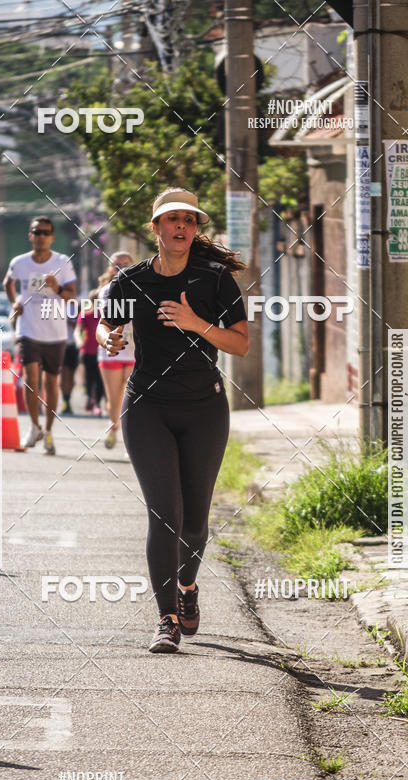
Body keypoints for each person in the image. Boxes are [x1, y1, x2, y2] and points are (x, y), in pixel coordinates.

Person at [96, 188, 249, 653]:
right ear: (156, 228)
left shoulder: (215, 280)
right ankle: (166, 620)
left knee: (195, 523)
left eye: (189, 219)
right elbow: (106, 322)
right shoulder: (131, 280)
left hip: (204, 407)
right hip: (147, 407)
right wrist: (109, 338)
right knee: (164, 514)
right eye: (172, 219)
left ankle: (187, 588)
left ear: (195, 228)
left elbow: (239, 344)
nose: (182, 226)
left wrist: (193, 321)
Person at [3, 216, 77, 455]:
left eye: (46, 232)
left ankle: (48, 430)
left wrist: (56, 288)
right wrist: (15, 302)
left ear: (52, 237)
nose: (41, 236)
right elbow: (8, 283)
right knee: (30, 377)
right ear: (30, 236)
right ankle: (33, 426)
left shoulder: (62, 262)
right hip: (28, 330)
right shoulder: (20, 262)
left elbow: (72, 297)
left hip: (55, 332)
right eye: (37, 232)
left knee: (50, 383)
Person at [97, 251, 135, 449]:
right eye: (117, 265)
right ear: (111, 269)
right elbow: (107, 321)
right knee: (114, 401)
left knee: (133, 401)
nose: (121, 268)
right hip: (111, 353)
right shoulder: (106, 291)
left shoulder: (141, 288)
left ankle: (132, 443)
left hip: (135, 353)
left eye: (126, 264)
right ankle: (113, 426)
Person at [78, 289, 106, 415]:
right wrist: (79, 340)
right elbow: (77, 330)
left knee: (99, 378)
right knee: (90, 377)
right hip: (88, 351)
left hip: (102, 352)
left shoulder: (106, 315)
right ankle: (90, 397)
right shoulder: (86, 315)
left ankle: (97, 403)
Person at [60, 313, 79, 415]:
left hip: (73, 345)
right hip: (61, 344)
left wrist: (72, 322)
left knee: (71, 376)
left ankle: (68, 399)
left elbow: (81, 323)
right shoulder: (56, 303)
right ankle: (65, 400)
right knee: (63, 375)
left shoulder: (78, 305)